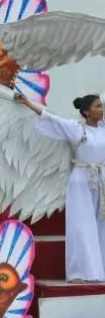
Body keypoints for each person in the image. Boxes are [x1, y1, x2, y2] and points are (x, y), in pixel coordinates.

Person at [10, 92, 105, 281]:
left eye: (102, 106)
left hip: (101, 180)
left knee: (102, 224)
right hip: (81, 181)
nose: (101, 110)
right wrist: (28, 103)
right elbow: (51, 119)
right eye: (97, 106)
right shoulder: (76, 129)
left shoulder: (103, 128)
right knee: (82, 225)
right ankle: (82, 271)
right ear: (86, 112)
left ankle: (100, 269)